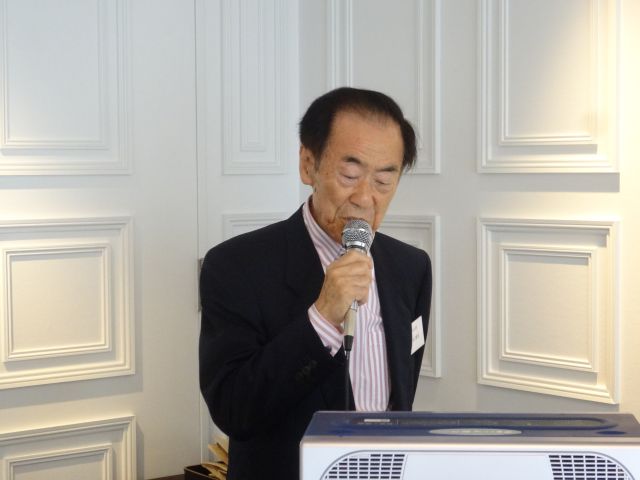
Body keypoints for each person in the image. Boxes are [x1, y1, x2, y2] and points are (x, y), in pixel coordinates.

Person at [199, 87, 432, 480]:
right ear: (308, 165)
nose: (365, 197)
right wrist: (322, 317)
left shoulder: (411, 267)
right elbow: (234, 410)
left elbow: (401, 396)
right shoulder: (236, 265)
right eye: (350, 175)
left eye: (383, 180)